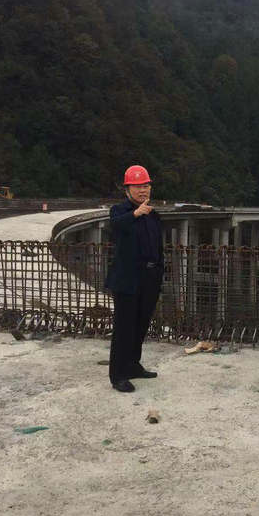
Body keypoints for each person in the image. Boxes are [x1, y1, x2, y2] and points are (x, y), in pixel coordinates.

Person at [104, 165, 163, 392]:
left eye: (146, 186)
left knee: (141, 325)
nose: (142, 190)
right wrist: (135, 214)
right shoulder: (119, 211)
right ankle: (118, 375)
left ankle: (133, 366)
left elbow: (158, 247)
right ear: (127, 189)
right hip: (127, 280)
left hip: (149, 278)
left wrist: (160, 273)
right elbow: (115, 226)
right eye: (137, 186)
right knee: (124, 328)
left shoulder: (153, 215)